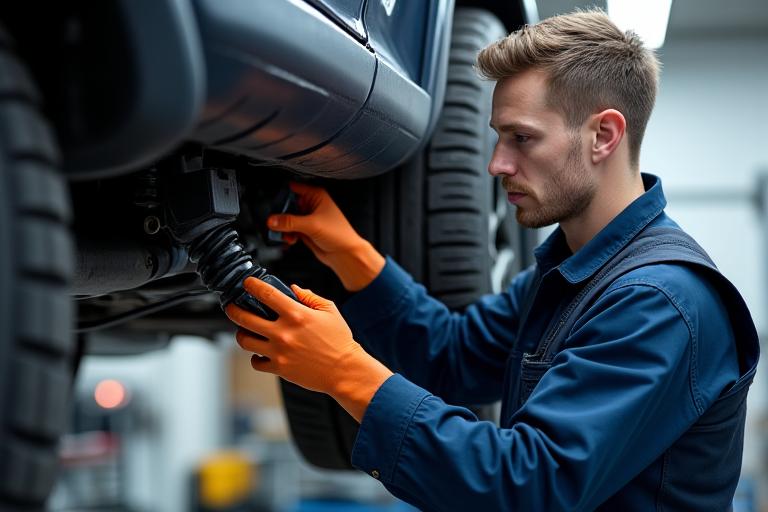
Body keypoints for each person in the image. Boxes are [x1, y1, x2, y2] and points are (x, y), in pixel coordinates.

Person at [225, 9, 759, 511]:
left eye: (522, 138)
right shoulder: (573, 275)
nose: (496, 163)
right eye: (499, 137)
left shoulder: (658, 301)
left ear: (604, 135)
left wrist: (345, 371)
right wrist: (353, 254)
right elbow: (452, 357)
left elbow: (529, 484)